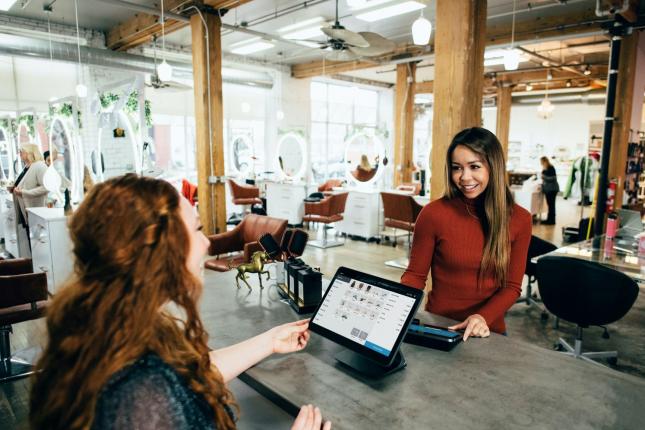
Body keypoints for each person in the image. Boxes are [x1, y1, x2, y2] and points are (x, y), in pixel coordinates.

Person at [29, 174, 331, 430]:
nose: (206, 243)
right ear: (159, 250)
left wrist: (269, 342)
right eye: (197, 229)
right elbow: (164, 386)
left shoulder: (110, 327)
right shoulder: (141, 396)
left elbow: (190, 374)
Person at [401, 127, 532, 340]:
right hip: (439, 327)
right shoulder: (433, 214)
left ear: (493, 167)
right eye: (457, 168)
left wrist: (481, 317)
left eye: (474, 166)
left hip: (487, 332)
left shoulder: (520, 219)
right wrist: (397, 308)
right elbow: (415, 276)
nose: (464, 177)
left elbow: (512, 287)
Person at [7, 143, 48, 236]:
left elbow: (46, 187)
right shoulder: (27, 166)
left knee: (35, 238)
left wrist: (24, 192)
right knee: (27, 236)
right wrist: (13, 189)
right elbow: (23, 184)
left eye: (22, 151)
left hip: (34, 209)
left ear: (30, 152)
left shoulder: (40, 166)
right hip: (23, 207)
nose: (19, 153)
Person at [540, 156, 559, 225]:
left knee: (551, 205)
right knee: (550, 205)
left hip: (552, 189)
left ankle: (551, 221)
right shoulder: (545, 169)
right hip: (548, 190)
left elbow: (553, 178)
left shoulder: (551, 168)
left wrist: (544, 177)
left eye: (542, 162)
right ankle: (549, 219)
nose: (541, 164)